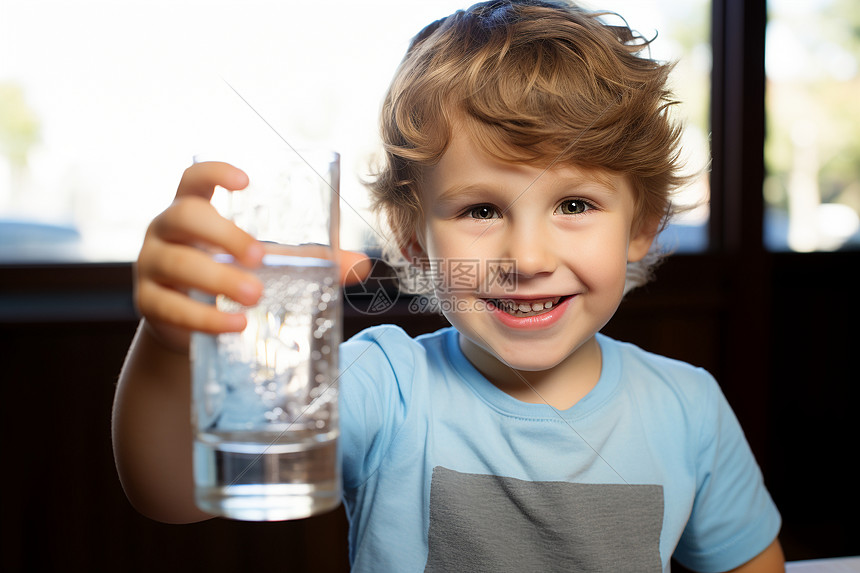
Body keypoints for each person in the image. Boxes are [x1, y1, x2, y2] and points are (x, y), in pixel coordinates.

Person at [112, 1, 785, 571]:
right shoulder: (386, 385)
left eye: (575, 205)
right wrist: (173, 344)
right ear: (412, 241)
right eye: (481, 210)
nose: (527, 256)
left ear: (639, 226)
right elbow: (172, 490)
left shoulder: (690, 408)